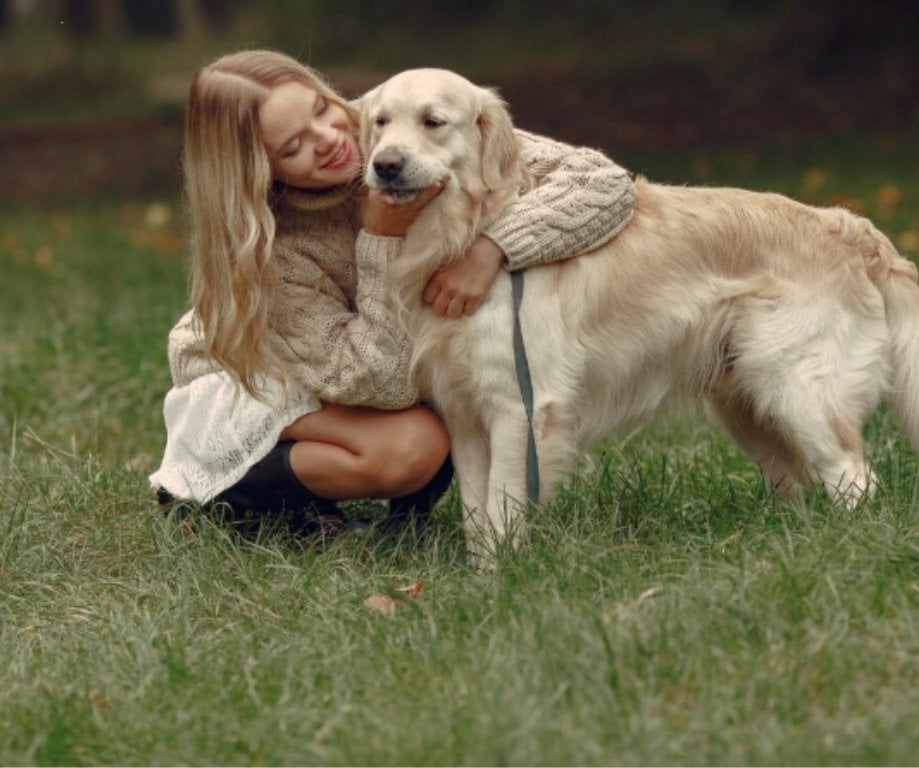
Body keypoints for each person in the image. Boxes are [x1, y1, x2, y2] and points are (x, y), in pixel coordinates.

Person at [150, 50, 637, 533]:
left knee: (453, 397)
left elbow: (605, 183)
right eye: (293, 146)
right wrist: (381, 238)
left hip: (350, 367)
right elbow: (378, 381)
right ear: (257, 170)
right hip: (259, 383)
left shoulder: (388, 122)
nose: (329, 140)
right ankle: (224, 499)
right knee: (412, 447)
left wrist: (494, 248)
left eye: (321, 109)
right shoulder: (275, 252)